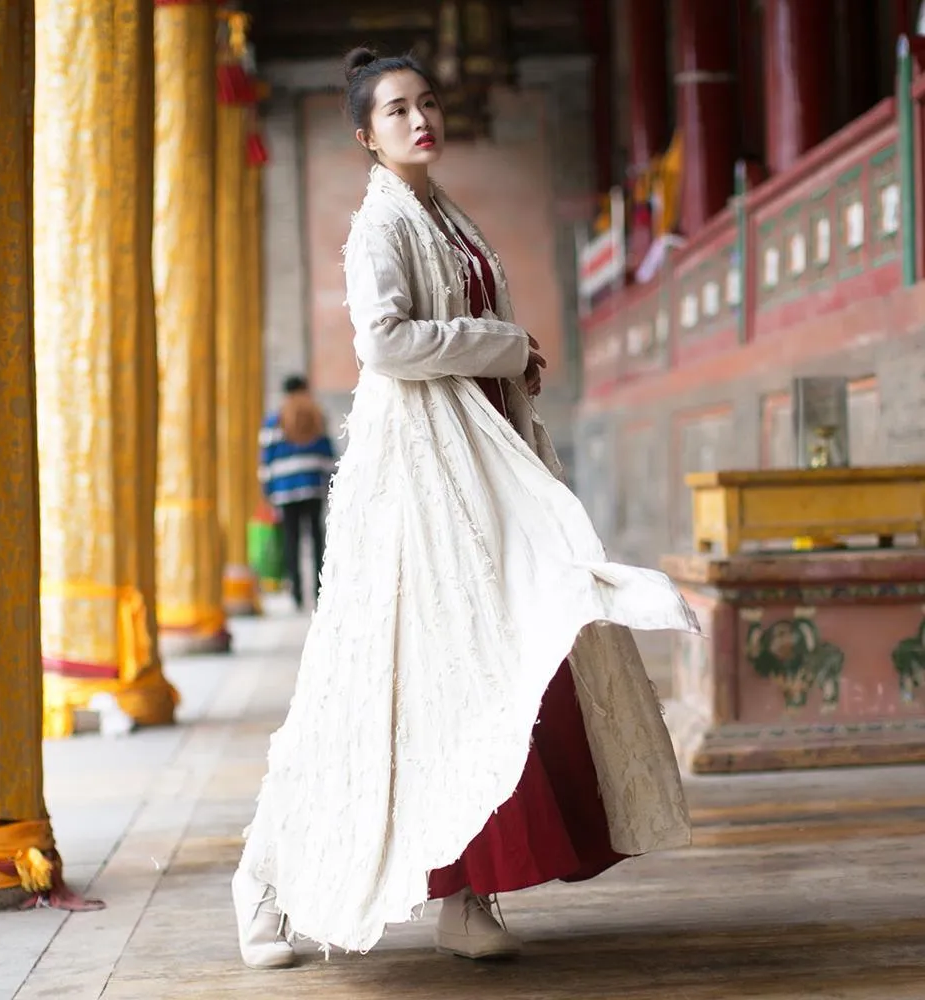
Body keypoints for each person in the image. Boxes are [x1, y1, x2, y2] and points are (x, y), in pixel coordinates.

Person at [231, 47, 699, 970]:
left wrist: (507, 361)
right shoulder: (380, 227)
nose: (419, 120)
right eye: (397, 111)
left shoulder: (444, 214)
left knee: (497, 665)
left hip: (476, 461)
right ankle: (268, 881)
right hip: (416, 482)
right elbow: (385, 342)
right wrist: (502, 341)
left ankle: (467, 893)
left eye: (427, 103)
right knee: (381, 684)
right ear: (366, 135)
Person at [259, 375, 336, 610]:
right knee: (316, 537)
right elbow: (327, 452)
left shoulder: (274, 420)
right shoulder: (317, 416)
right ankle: (319, 588)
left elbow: (267, 456)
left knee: (291, 539)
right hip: (312, 484)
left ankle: (296, 594)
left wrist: (267, 487)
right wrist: (328, 482)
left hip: (285, 487)